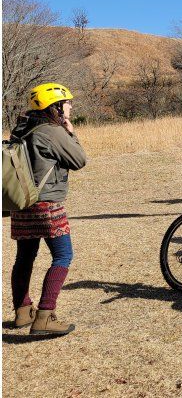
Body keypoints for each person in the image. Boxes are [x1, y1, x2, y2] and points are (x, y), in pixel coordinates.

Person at [9, 83, 87, 336]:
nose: (71, 106)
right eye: (67, 103)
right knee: (63, 256)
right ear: (55, 105)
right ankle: (45, 315)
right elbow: (78, 160)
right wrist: (71, 133)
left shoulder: (21, 128)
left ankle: (22, 312)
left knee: (24, 257)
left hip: (22, 204)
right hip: (47, 205)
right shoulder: (52, 131)